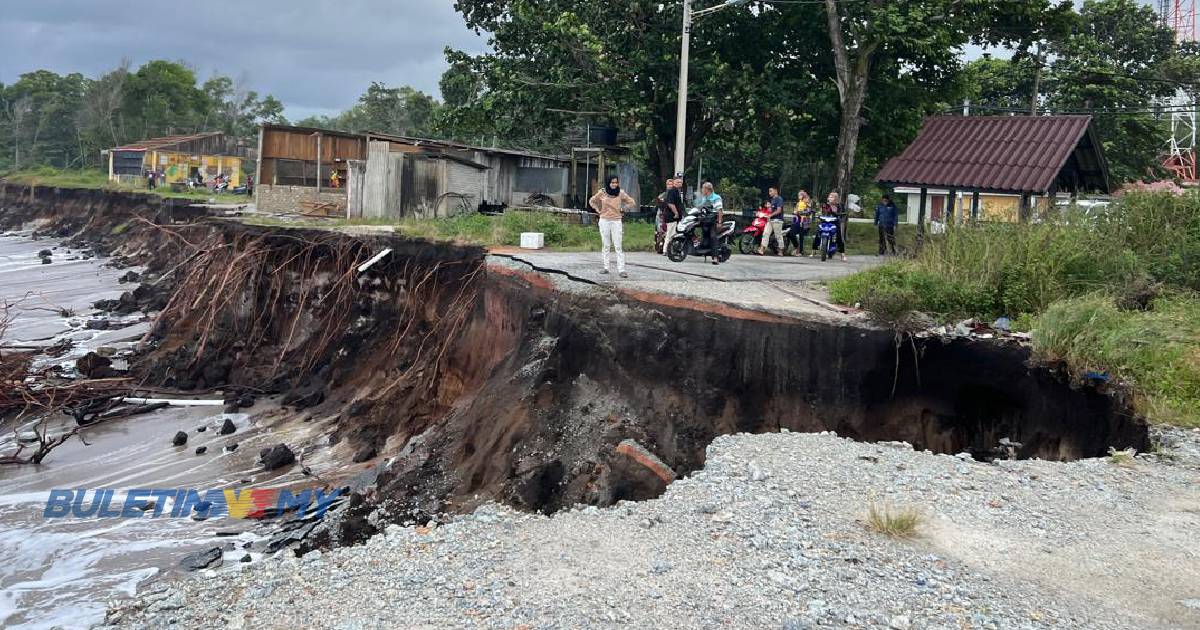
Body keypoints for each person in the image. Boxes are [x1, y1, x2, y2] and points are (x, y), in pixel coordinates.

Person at [589, 175, 637, 277]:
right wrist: (598, 210)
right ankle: (606, 267)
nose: (614, 184)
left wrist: (623, 209)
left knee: (618, 246)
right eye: (612, 182)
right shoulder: (602, 192)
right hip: (604, 220)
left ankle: (621, 270)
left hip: (616, 221)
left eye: (616, 182)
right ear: (608, 183)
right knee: (606, 245)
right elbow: (592, 201)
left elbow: (632, 202)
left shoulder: (621, 193)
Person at [813, 192, 847, 261]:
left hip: (834, 223)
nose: (830, 198)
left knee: (839, 237)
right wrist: (818, 214)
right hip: (825, 222)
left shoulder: (840, 206)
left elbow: (843, 213)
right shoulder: (825, 205)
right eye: (829, 197)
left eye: (832, 197)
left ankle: (842, 254)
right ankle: (813, 251)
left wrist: (840, 215)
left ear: (836, 198)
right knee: (818, 234)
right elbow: (821, 212)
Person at [698, 181, 724, 266]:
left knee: (713, 237)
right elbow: (700, 207)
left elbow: (719, 211)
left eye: (703, 188)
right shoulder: (704, 197)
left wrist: (719, 222)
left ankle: (715, 257)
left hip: (713, 221)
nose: (702, 190)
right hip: (704, 220)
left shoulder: (716, 198)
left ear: (707, 189)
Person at [785, 190, 814, 257]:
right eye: (798, 195)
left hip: (804, 223)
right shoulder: (798, 203)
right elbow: (795, 210)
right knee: (790, 234)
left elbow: (808, 212)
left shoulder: (808, 203)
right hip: (796, 220)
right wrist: (795, 212)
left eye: (800, 195)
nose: (799, 196)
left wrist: (798, 212)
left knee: (801, 236)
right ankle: (796, 248)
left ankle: (799, 250)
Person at [759, 186, 785, 256]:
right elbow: (771, 210)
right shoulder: (772, 200)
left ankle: (781, 250)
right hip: (770, 220)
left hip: (777, 220)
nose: (769, 193)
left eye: (771, 191)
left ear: (776, 191)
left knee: (778, 235)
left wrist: (770, 215)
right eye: (769, 191)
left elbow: (779, 210)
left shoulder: (779, 199)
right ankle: (762, 249)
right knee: (766, 233)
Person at [662, 175, 684, 255]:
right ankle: (666, 250)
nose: (680, 183)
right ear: (674, 182)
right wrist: (676, 213)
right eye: (678, 182)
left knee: (673, 233)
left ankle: (669, 249)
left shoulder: (677, 191)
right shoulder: (672, 191)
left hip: (674, 216)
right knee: (671, 233)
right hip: (671, 216)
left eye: (681, 182)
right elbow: (670, 203)